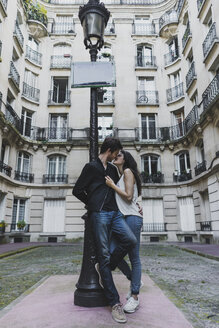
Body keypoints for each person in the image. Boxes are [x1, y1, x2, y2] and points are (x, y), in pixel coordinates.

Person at [72, 138, 137, 324]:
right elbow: (77, 190)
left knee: (130, 240)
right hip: (99, 215)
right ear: (110, 150)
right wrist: (93, 204)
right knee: (104, 255)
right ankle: (115, 303)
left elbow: (120, 190)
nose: (118, 155)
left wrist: (135, 204)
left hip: (115, 213)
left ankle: (105, 267)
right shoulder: (91, 167)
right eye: (117, 152)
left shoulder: (112, 169)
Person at [105, 149, 143, 313]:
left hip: (132, 218)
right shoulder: (121, 175)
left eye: (118, 155)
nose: (115, 156)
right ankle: (134, 278)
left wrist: (112, 186)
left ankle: (134, 296)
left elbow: (128, 196)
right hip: (122, 218)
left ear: (125, 159)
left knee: (134, 257)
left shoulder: (127, 171)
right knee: (112, 250)